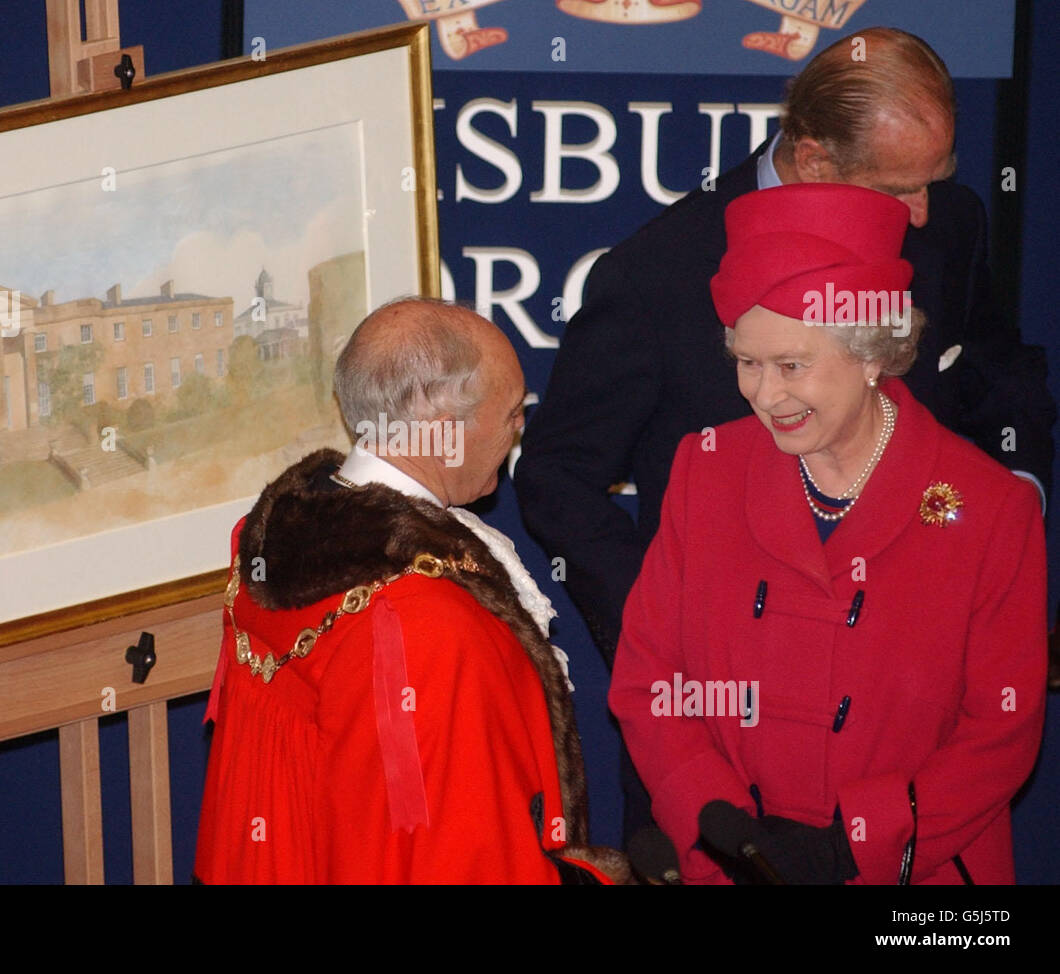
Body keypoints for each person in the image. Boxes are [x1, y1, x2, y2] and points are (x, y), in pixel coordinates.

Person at [516, 27, 1053, 668]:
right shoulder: (656, 277)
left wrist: (1016, 501)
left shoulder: (952, 223)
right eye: (897, 189)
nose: (921, 213)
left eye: (933, 180)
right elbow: (557, 476)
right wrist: (669, 629)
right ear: (816, 161)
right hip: (735, 688)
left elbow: (998, 370)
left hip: (916, 662)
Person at [608, 183, 1046, 884]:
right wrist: (719, 819)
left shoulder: (986, 510)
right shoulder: (706, 470)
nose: (763, 393)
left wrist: (855, 845)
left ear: (873, 354)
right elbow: (649, 680)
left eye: (791, 365)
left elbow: (1000, 733)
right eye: (747, 363)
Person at [194, 297, 628, 884]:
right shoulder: (429, 619)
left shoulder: (269, 540)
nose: (519, 432)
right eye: (511, 415)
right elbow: (460, 854)